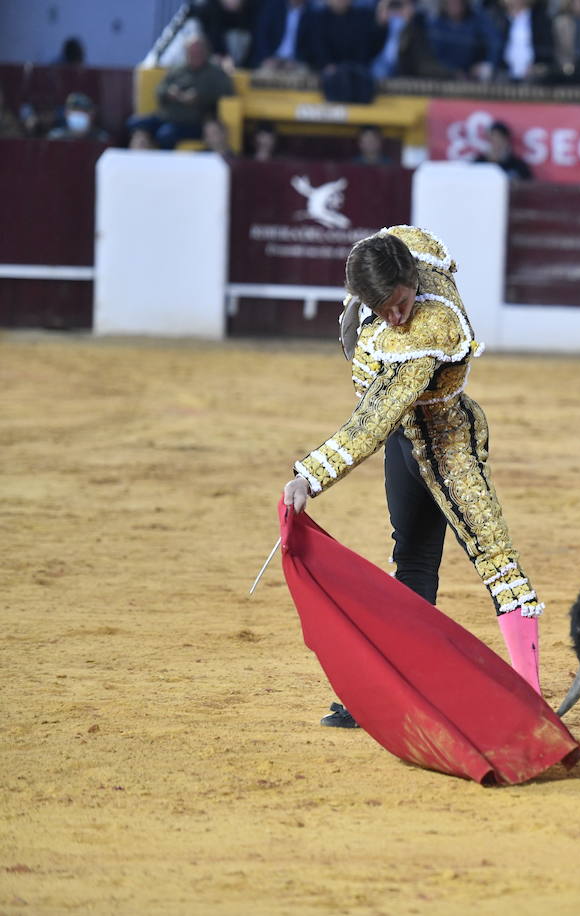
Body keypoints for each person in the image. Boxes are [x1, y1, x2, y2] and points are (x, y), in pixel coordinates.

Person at [282, 226, 546, 726]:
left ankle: (532, 699)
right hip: (407, 443)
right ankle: (391, 692)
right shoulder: (401, 254)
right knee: (412, 562)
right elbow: (398, 247)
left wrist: (310, 476)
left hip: (450, 445)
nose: (396, 317)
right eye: (382, 309)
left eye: (400, 303)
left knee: (497, 563)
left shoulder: (428, 328)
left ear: (412, 281)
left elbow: (375, 418)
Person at [128, 35, 237, 149]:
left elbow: (228, 92)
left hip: (192, 122)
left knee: (165, 135)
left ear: (205, 52)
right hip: (166, 116)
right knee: (134, 123)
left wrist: (200, 97)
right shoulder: (177, 69)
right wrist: (169, 93)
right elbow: (160, 89)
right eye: (191, 52)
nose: (195, 55)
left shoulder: (215, 72)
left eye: (198, 52)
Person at [252, 0, 317, 71]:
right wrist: (267, 57)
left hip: (296, 62)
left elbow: (312, 44)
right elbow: (261, 35)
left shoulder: (312, 13)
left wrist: (297, 61)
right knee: (264, 74)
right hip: (271, 58)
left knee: (303, 75)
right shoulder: (274, 7)